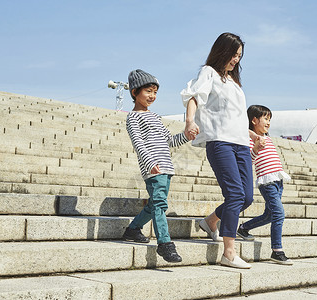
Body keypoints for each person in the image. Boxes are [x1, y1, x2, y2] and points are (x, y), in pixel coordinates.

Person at [181, 32, 258, 269]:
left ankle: (210, 221)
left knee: (246, 197)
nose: (236, 60)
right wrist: (189, 121)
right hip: (220, 143)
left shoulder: (234, 82)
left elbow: (234, 116)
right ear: (222, 51)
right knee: (234, 195)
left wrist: (252, 135)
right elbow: (194, 97)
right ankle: (229, 252)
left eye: (239, 56)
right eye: (233, 54)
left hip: (241, 143)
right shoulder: (209, 73)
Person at [122, 69, 195, 263]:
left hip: (166, 167)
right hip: (153, 168)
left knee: (155, 203)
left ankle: (132, 230)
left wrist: (186, 136)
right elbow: (138, 143)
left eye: (155, 92)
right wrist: (150, 163)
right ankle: (165, 244)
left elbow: (170, 141)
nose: (152, 96)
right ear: (134, 92)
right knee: (160, 205)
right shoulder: (133, 117)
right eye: (148, 91)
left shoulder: (155, 117)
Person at [237, 105, 293, 265]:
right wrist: (255, 147)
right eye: (265, 119)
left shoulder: (267, 137)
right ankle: (277, 250)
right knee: (279, 213)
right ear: (254, 120)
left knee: (269, 215)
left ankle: (243, 228)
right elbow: (249, 160)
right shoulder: (249, 139)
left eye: (270, 119)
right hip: (266, 182)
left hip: (278, 181)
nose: (268, 122)